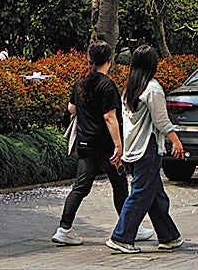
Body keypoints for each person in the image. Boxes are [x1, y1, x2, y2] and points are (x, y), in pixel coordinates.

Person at [111, 44, 186, 253]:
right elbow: (161, 121)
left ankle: (169, 236)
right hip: (147, 148)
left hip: (132, 147)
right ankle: (122, 237)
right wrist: (176, 141)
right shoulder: (152, 89)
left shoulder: (129, 89)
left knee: (155, 195)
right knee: (141, 194)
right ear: (153, 65)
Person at [56, 42, 127, 245]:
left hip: (85, 143)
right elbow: (110, 118)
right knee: (120, 184)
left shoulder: (81, 82)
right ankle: (127, 226)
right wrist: (118, 146)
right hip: (105, 145)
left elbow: (71, 108)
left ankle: (64, 228)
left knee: (81, 187)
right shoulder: (107, 85)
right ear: (109, 60)